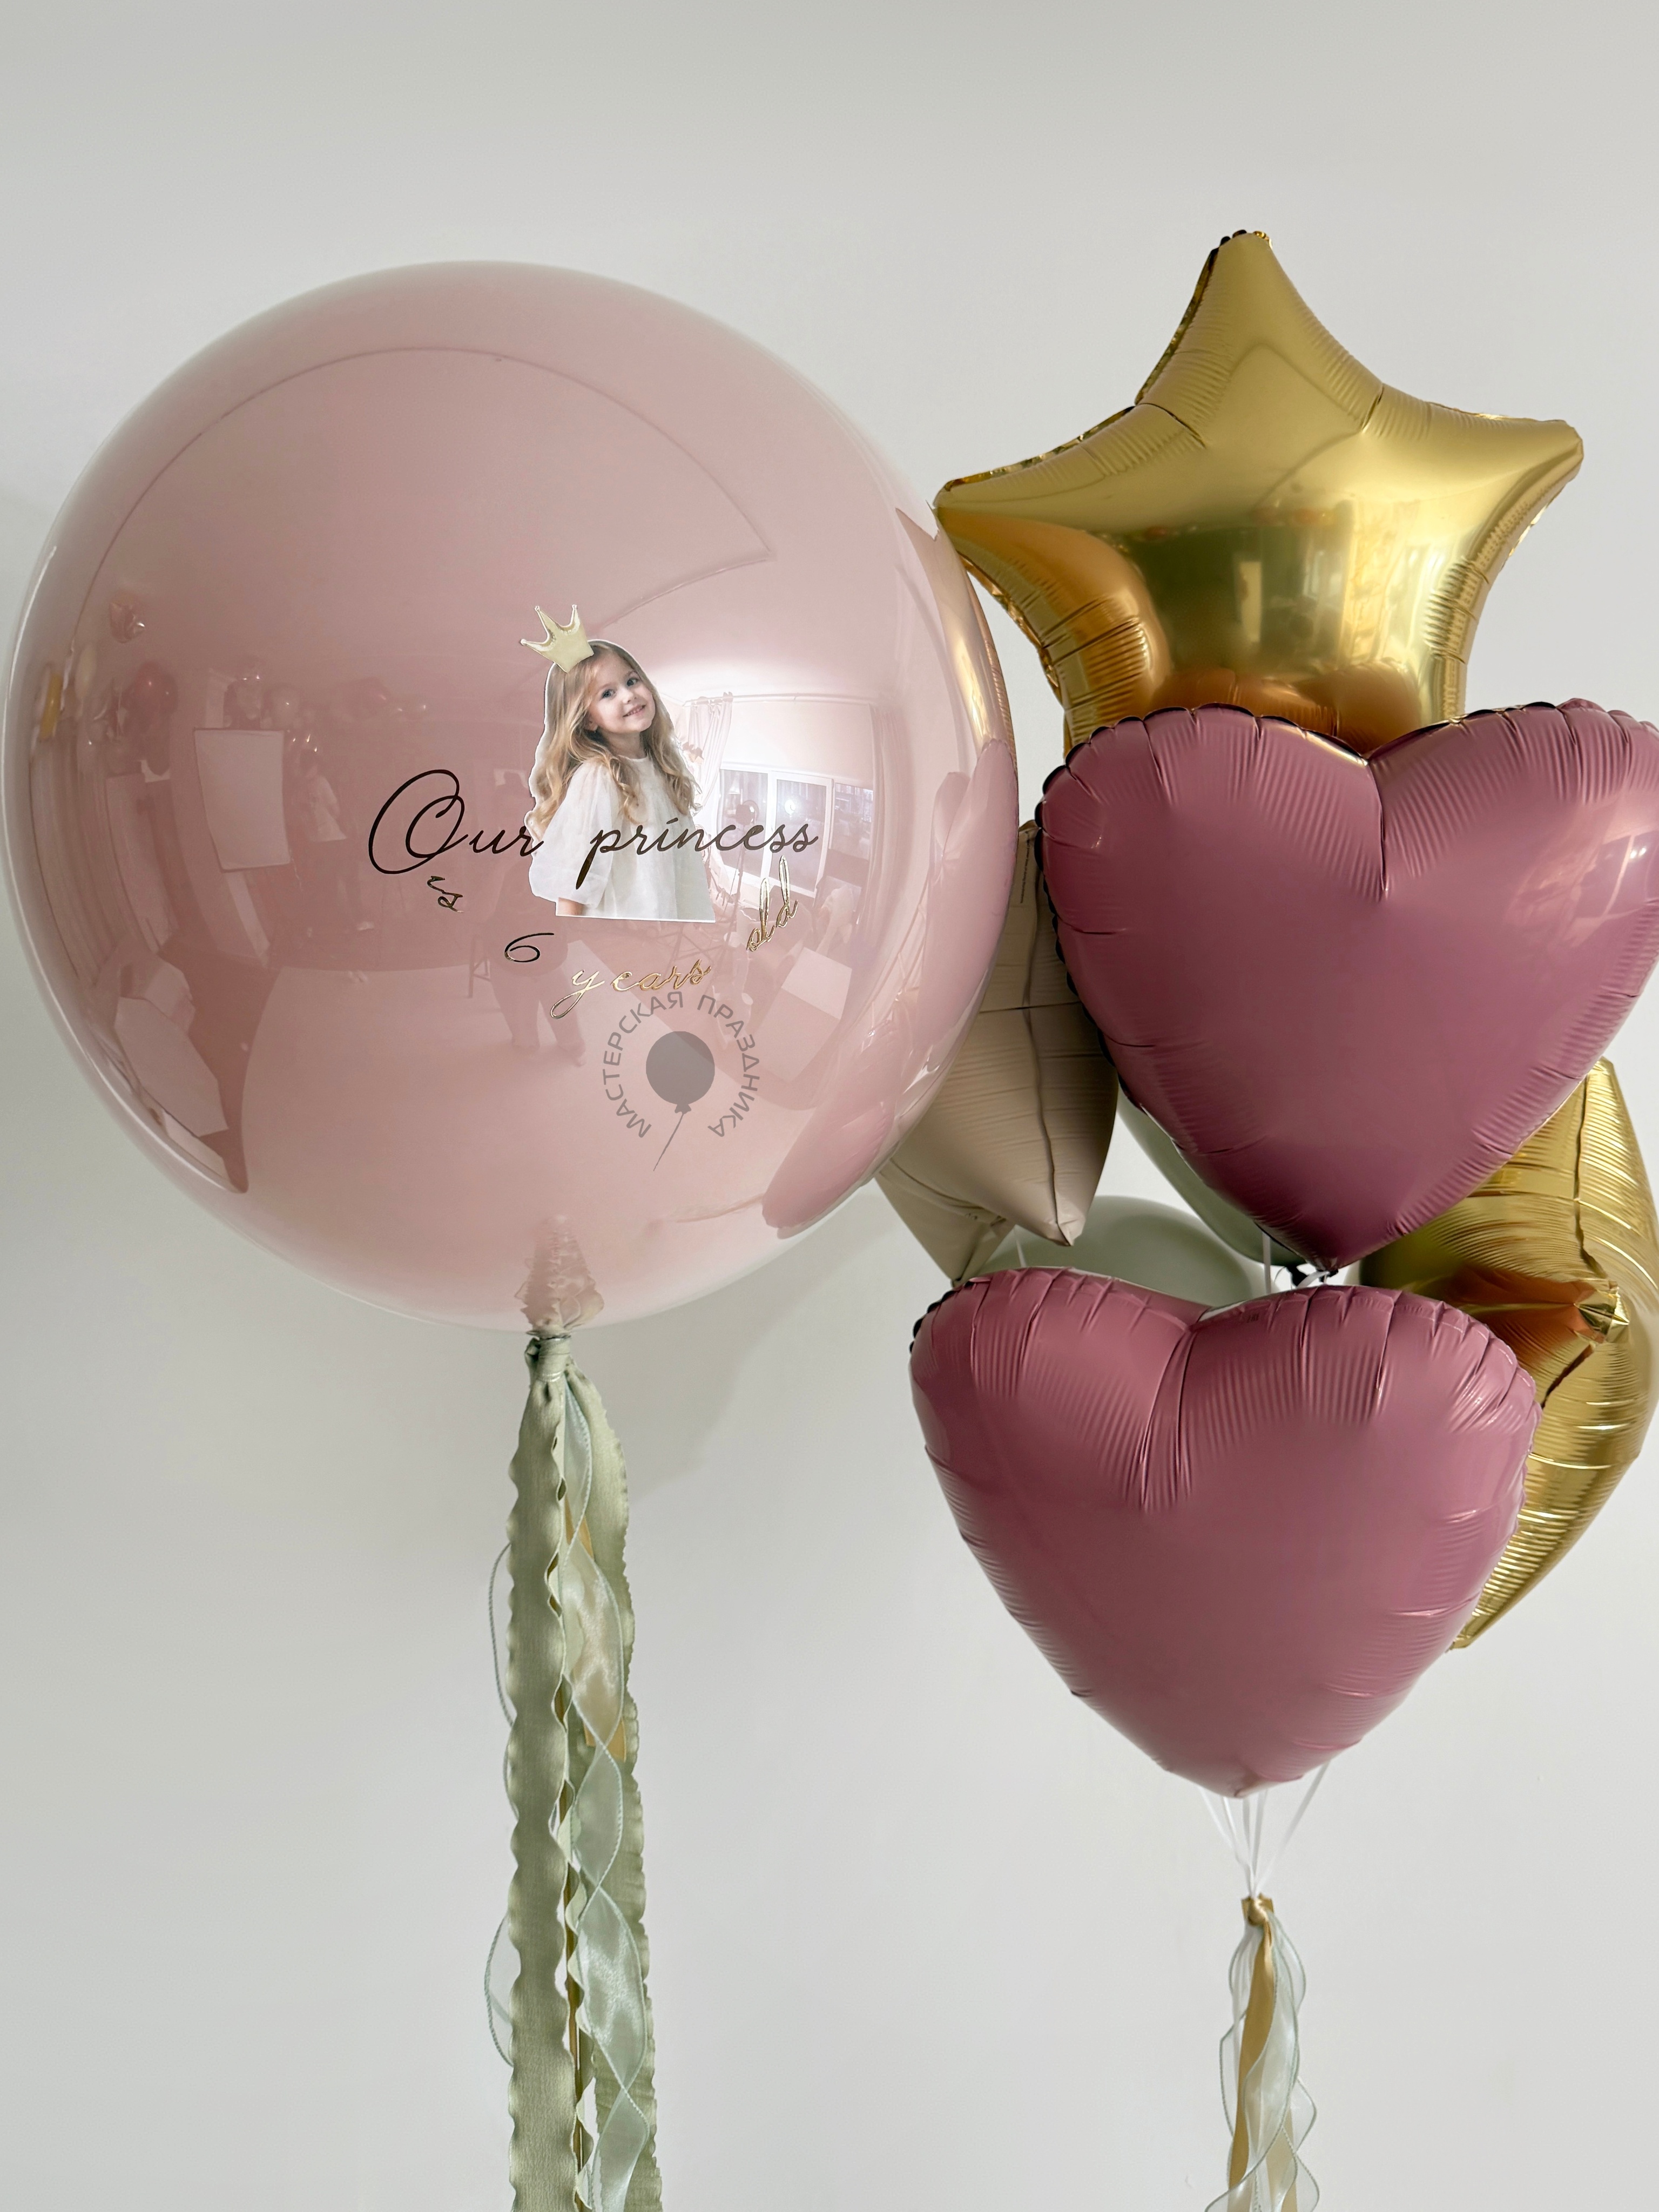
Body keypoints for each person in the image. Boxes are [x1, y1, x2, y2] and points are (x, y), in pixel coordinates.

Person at [523, 613, 714, 921]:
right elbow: (575, 876)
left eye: (631, 681)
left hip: (665, 921)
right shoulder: (599, 776)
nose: (629, 695)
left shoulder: (660, 767)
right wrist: (568, 933)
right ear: (588, 718)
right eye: (607, 694)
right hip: (620, 926)